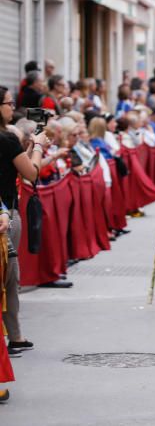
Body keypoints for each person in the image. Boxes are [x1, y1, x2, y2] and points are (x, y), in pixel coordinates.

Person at [0, 85, 50, 374]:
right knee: (9, 277)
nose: (12, 107)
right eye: (8, 103)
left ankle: (14, 336)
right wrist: (40, 148)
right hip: (6, 213)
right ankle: (13, 336)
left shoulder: (9, 141)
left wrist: (27, 149)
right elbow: (31, 174)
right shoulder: (6, 139)